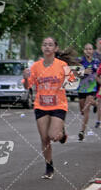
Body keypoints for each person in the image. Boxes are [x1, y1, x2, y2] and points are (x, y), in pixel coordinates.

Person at [23, 36, 78, 179]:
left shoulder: (61, 65)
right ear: (42, 48)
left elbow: (72, 82)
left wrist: (72, 76)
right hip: (41, 105)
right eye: (45, 44)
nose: (47, 47)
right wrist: (26, 77)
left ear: (55, 48)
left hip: (58, 105)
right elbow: (27, 85)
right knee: (44, 138)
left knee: (54, 136)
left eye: (50, 45)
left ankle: (61, 132)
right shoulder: (36, 66)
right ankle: (49, 167)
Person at [77, 43, 100, 141]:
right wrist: (83, 72)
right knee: (82, 110)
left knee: (86, 108)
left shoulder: (96, 61)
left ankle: (82, 131)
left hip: (92, 89)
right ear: (84, 51)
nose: (88, 51)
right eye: (86, 49)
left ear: (93, 51)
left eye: (90, 49)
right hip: (82, 88)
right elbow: (72, 73)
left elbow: (100, 73)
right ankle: (96, 104)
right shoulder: (80, 61)